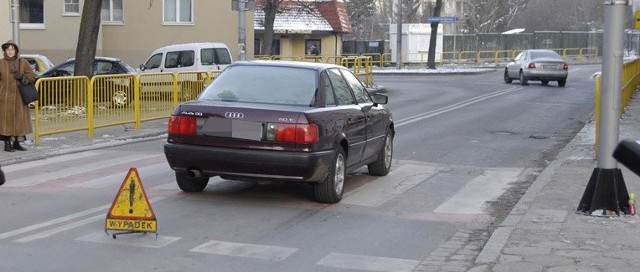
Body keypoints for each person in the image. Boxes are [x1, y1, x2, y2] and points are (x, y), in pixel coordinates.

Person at [0, 40, 35, 152]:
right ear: (5, 51)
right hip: (4, 98)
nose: (10, 52)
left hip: (20, 98)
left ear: (16, 51)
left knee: (19, 121)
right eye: (8, 49)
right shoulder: (0, 63)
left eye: (12, 49)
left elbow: (32, 76)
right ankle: (7, 144)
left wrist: (23, 77)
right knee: (6, 121)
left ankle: (16, 143)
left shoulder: (22, 62)